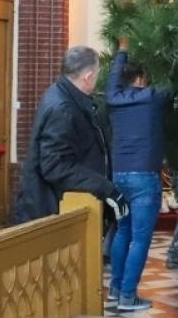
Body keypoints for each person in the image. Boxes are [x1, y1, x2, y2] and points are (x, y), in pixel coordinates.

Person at [12, 46, 116, 224]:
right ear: (88, 77)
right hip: (52, 209)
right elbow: (55, 166)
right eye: (97, 74)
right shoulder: (63, 108)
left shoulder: (62, 94)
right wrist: (105, 187)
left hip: (63, 204)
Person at [103, 47, 171, 314]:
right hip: (144, 176)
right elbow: (174, 82)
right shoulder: (153, 98)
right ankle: (128, 296)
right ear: (141, 79)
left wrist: (121, 51)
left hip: (118, 176)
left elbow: (112, 80)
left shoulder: (113, 98)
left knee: (123, 231)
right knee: (140, 238)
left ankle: (115, 290)